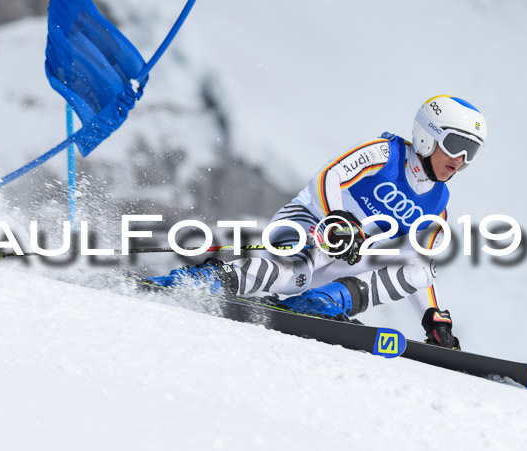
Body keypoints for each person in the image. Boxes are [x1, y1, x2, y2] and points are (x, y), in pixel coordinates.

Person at [146, 95, 487, 349]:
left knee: (420, 267)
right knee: (298, 272)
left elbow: (419, 264)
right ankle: (213, 279)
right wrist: (336, 221)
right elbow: (327, 177)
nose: (461, 159)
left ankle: (324, 302)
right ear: (429, 134)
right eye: (456, 144)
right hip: (309, 226)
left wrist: (433, 319)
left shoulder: (439, 202)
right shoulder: (386, 153)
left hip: (348, 258)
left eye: (471, 151)